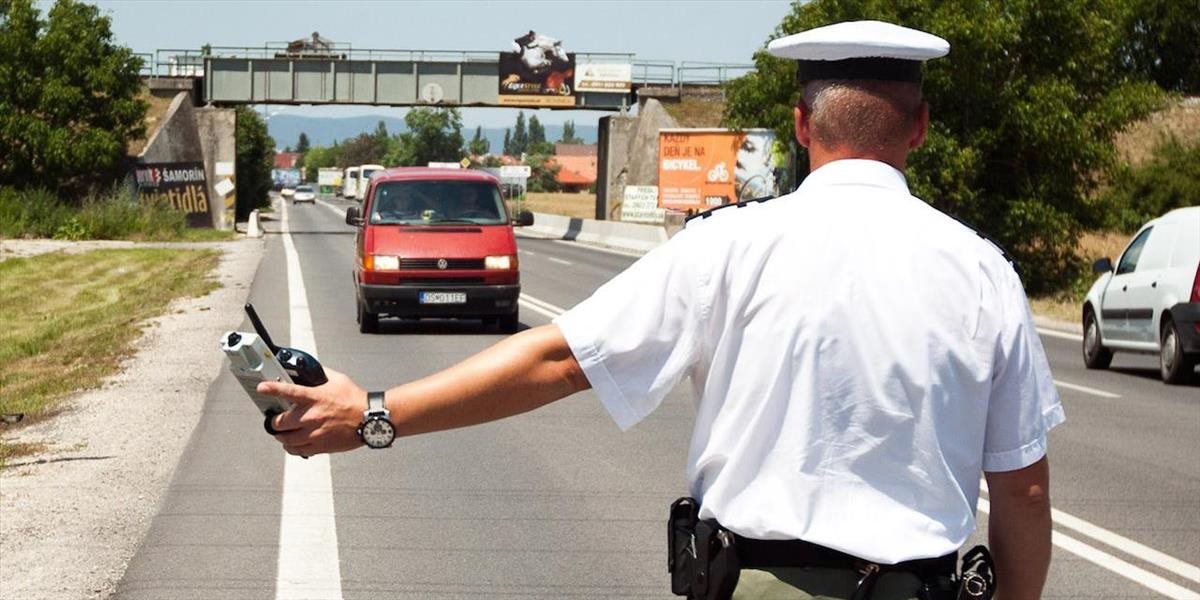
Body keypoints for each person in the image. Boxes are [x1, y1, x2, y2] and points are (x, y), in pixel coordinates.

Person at [259, 20, 1062, 600]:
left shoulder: (728, 247)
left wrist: (371, 413)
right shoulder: (983, 273)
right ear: (920, 126)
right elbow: (1021, 491)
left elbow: (561, 359)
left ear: (800, 124)